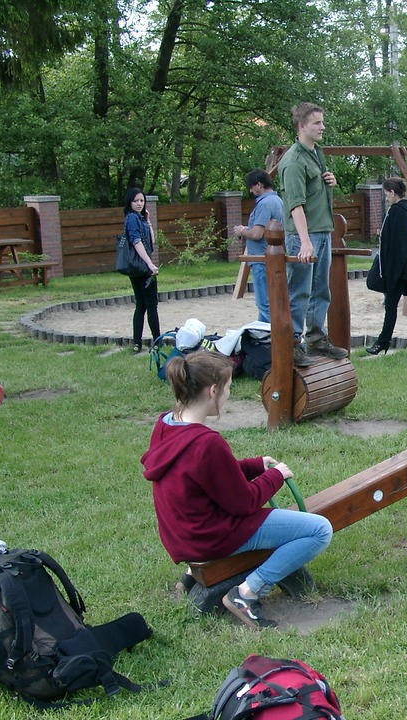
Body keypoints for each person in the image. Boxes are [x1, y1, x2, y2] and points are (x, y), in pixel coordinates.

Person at [141, 351, 333, 628]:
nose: (229, 394)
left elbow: (209, 475)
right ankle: (247, 593)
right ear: (213, 390)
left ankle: (190, 576)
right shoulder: (207, 442)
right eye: (228, 387)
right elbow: (244, 502)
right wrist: (276, 477)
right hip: (210, 538)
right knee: (319, 530)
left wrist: (254, 466)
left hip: (182, 535)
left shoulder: (165, 425)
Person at [278, 102, 348, 367]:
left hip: (322, 230)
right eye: (317, 123)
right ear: (301, 126)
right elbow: (295, 205)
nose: (322, 127)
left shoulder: (316, 153)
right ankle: (293, 344)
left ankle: (317, 339)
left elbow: (313, 191)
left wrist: (329, 180)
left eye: (322, 122)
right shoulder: (293, 161)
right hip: (303, 237)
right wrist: (305, 242)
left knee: (320, 290)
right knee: (300, 292)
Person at [366, 177, 407, 356]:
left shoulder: (396, 212)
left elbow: (396, 246)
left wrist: (391, 274)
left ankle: (383, 342)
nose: (386, 197)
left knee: (391, 305)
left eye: (387, 194)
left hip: (399, 270)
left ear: (393, 193)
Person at [232, 169, 284, 323]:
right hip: (274, 258)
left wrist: (242, 230)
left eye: (251, 186)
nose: (250, 190)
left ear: (259, 185)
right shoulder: (277, 200)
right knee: (271, 301)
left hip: (262, 260)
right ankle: (262, 333)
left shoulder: (265, 204)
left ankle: (270, 335)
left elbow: (257, 233)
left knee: (265, 303)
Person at [123, 187, 160, 353]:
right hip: (142, 267)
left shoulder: (138, 218)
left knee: (141, 305)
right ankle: (157, 341)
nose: (139, 203)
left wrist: (148, 221)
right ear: (129, 202)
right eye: (136, 201)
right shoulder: (132, 218)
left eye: (142, 201)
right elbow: (137, 242)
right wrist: (150, 264)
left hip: (136, 268)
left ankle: (137, 342)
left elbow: (152, 241)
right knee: (151, 305)